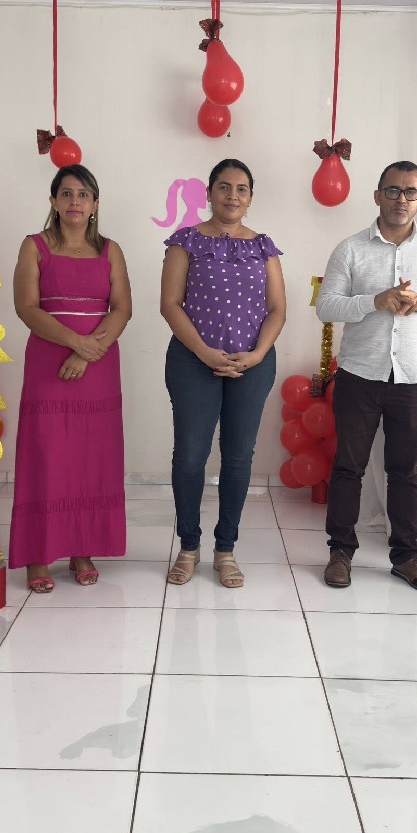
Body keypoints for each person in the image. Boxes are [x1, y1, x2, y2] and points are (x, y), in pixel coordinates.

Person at [316, 160, 417, 594]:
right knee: (348, 468)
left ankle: (406, 557)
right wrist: (374, 300)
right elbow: (326, 306)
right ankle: (340, 552)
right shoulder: (350, 249)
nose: (402, 199)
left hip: (414, 379)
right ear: (377, 195)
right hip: (359, 376)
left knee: (405, 472)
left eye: (411, 192)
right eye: (393, 190)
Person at [160, 158, 286, 587]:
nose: (233, 195)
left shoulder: (264, 248)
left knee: (238, 457)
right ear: (210, 193)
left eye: (242, 189)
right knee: (190, 456)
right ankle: (188, 546)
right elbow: (170, 304)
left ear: (250, 198)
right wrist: (204, 352)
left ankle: (225, 549)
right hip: (192, 362)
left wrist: (257, 354)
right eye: (224, 187)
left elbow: (277, 309)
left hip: (252, 365)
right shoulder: (186, 241)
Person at [8, 164, 131, 592]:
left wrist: (87, 352)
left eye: (83, 194)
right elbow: (27, 307)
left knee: (90, 458)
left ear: (95, 204)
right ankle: (38, 554)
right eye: (66, 193)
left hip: (98, 367)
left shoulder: (111, 250)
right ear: (54, 201)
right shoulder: (34, 246)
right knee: (47, 454)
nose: (75, 201)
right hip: (49, 363)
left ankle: (83, 547)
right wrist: (76, 343)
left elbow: (122, 308)